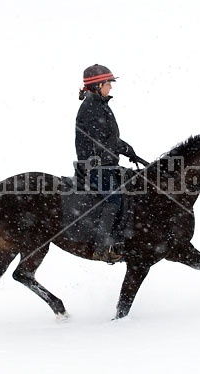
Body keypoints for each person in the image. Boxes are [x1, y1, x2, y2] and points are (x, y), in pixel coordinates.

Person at [75, 64, 141, 263]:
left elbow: (109, 138)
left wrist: (125, 148)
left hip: (107, 163)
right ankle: (102, 248)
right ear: (98, 85)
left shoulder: (100, 104)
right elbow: (102, 139)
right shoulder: (91, 106)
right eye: (108, 84)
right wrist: (124, 148)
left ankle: (120, 239)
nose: (111, 87)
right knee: (113, 198)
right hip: (95, 165)